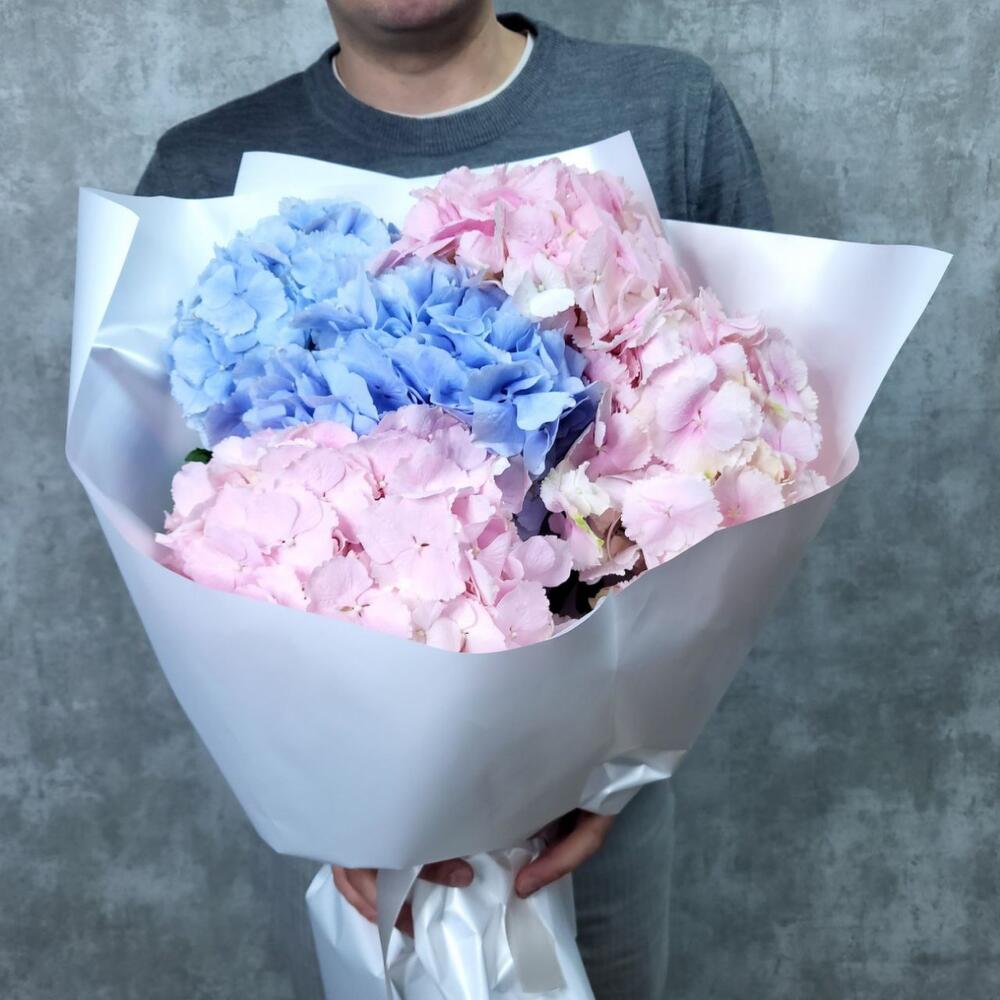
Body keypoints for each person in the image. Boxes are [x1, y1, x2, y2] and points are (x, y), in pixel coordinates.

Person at [136, 4, 772, 997]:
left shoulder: (663, 109)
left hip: (596, 828)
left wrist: (622, 761)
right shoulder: (202, 167)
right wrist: (328, 792)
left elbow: (752, 439)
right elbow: (163, 510)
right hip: (336, 849)